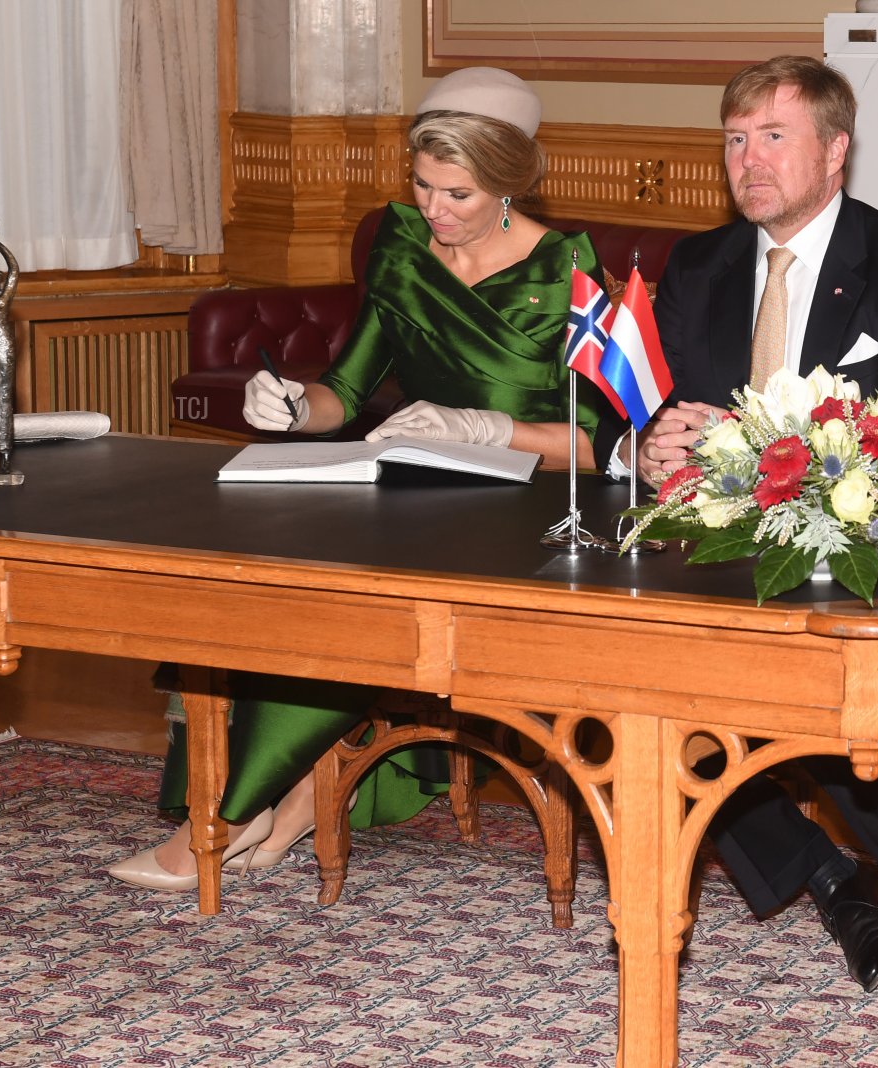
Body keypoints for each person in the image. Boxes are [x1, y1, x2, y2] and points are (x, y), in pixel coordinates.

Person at [594, 55, 878, 1027]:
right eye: (734, 138)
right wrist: (647, 446)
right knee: (629, 668)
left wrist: (746, 452)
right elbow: (639, 412)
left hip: (868, 539)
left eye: (773, 136)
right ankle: (827, 876)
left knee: (813, 679)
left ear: (834, 150)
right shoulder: (700, 266)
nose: (748, 161)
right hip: (713, 544)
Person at [109, 66, 611, 890]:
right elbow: (342, 391)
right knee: (274, 566)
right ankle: (292, 790)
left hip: (532, 507)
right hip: (418, 489)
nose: (435, 211)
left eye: (459, 194)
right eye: (422, 186)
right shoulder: (405, 246)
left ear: (511, 186)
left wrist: (488, 428)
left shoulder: (571, 276)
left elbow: (606, 446)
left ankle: (231, 818)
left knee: (356, 597)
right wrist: (289, 406)